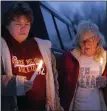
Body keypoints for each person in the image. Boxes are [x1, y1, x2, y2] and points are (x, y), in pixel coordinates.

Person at [1, 1, 62, 111]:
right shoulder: (2, 48)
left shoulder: (44, 47)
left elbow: (54, 81)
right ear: (7, 25)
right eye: (18, 24)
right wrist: (15, 84)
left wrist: (57, 107)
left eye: (27, 24)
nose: (24, 29)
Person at [59, 20, 107, 111]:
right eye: (83, 41)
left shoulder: (105, 58)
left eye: (90, 40)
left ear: (97, 39)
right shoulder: (70, 58)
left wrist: (106, 81)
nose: (86, 44)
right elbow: (59, 83)